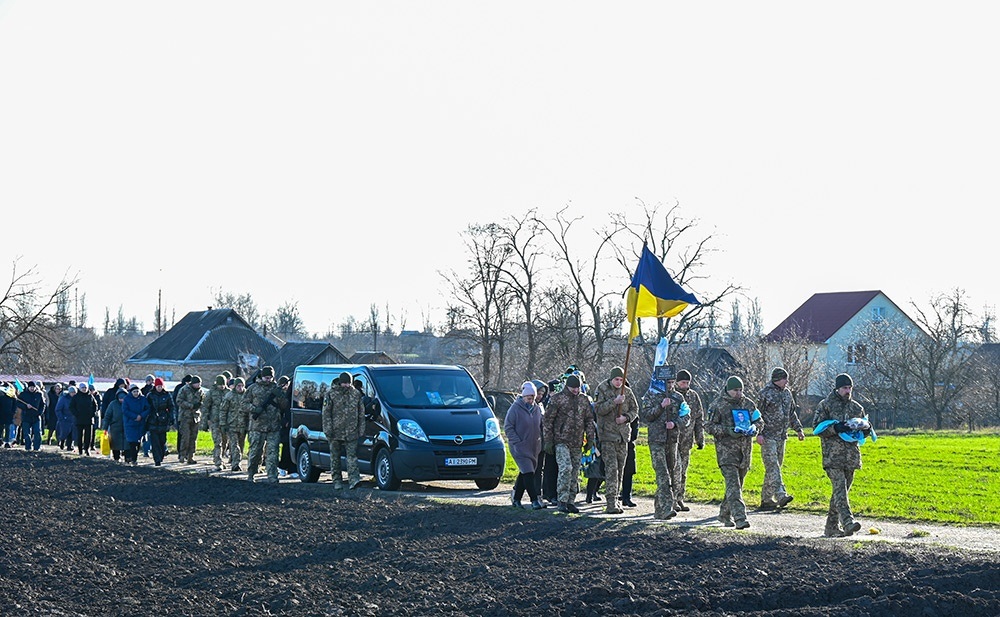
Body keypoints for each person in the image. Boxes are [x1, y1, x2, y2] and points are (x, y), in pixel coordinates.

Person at [814, 373, 869, 538]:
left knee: (840, 493)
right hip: (833, 457)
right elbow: (817, 428)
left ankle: (831, 527)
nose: (848, 391)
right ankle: (848, 522)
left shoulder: (856, 407)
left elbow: (863, 430)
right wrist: (835, 428)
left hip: (851, 457)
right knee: (840, 490)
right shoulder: (826, 405)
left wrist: (866, 430)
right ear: (837, 388)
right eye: (845, 388)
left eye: (850, 388)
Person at [706, 376, 763, 530]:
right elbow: (709, 426)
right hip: (726, 452)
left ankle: (724, 514)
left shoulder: (748, 404)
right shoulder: (718, 405)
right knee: (734, 485)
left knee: (737, 485)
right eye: (735, 390)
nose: (738, 393)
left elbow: (759, 421)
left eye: (740, 390)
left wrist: (755, 428)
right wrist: (728, 431)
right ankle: (740, 518)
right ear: (728, 390)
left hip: (744, 451)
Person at [542, 374, 596, 514]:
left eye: (577, 388)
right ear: (567, 386)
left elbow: (589, 420)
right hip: (561, 440)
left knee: (574, 471)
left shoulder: (583, 400)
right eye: (573, 388)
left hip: (577, 442)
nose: (576, 390)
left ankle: (571, 501)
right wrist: (548, 440)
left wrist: (590, 438)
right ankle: (562, 499)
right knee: (565, 468)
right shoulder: (557, 399)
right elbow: (547, 420)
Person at [592, 366, 639, 515]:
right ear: (611, 379)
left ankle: (617, 499)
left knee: (620, 469)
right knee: (611, 470)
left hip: (623, 436)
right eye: (616, 379)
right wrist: (614, 402)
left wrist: (626, 418)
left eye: (621, 380)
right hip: (608, 436)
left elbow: (635, 410)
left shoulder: (627, 392)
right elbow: (598, 409)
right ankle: (611, 502)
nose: (619, 382)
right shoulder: (602, 389)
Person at [757, 367, 805, 511]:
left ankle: (766, 500)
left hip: (782, 437)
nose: (787, 381)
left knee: (774, 468)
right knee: (773, 467)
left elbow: (791, 413)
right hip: (768, 436)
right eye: (785, 379)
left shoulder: (787, 394)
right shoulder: (765, 394)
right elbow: (757, 415)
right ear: (777, 379)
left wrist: (798, 429)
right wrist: (759, 433)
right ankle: (781, 495)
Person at [640, 368, 685, 520]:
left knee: (672, 474)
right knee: (662, 474)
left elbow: (686, 416)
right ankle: (667, 508)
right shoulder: (651, 395)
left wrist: (675, 423)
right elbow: (646, 415)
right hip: (656, 440)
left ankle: (659, 509)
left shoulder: (678, 397)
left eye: (672, 382)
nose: (670, 385)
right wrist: (661, 406)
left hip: (672, 440)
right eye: (667, 383)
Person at [503, 381, 545, 510]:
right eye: (528, 398)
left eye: (532, 398)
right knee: (528, 472)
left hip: (533, 447)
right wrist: (517, 442)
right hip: (519, 447)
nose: (531, 401)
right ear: (523, 396)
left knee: (525, 472)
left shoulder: (537, 409)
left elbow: (540, 426)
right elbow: (508, 427)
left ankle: (516, 499)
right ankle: (534, 500)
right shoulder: (515, 409)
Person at [245, 366, 290, 483]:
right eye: (266, 377)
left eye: (270, 377)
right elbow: (243, 404)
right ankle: (251, 474)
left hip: (273, 426)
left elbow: (284, 406)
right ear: (262, 376)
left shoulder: (276, 388)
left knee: (273, 453)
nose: (268, 379)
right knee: (255, 452)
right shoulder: (253, 388)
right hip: (257, 426)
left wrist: (281, 396)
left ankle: (272, 476)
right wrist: (254, 409)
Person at [321, 371, 365, 489]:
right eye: (344, 383)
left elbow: (361, 413)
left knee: (352, 457)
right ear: (340, 382)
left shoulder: (356, 394)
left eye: (348, 383)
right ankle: (337, 481)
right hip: (335, 432)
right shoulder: (331, 394)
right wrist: (328, 430)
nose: (346, 385)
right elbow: (326, 413)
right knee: (335, 458)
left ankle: (354, 480)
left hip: (352, 431)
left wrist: (361, 429)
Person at [673, 369, 704, 511]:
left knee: (683, 471)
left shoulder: (693, 396)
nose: (685, 385)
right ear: (677, 382)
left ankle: (680, 498)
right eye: (683, 382)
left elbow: (698, 418)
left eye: (687, 382)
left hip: (687, 440)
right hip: (673, 439)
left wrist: (700, 438)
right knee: (675, 470)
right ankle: (672, 499)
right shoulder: (672, 395)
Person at [201, 375, 230, 471]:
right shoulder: (211, 393)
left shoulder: (229, 392)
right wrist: (205, 422)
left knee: (225, 442)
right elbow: (205, 408)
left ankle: (221, 458)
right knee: (218, 442)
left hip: (226, 422)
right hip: (215, 421)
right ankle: (218, 462)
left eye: (223, 384)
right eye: (220, 384)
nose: (222, 386)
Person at [146, 378, 176, 467]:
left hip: (163, 420)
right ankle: (157, 459)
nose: (159, 388)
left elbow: (171, 407)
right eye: (158, 386)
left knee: (162, 441)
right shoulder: (150, 395)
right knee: (155, 442)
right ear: (155, 386)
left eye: (161, 386)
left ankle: (161, 455)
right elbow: (147, 407)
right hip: (153, 420)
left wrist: (171, 418)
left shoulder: (167, 395)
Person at [175, 375, 204, 464]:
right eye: (197, 383)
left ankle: (191, 457)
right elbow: (179, 401)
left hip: (195, 417)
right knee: (185, 437)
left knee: (193, 438)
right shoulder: (184, 389)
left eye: (199, 384)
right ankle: (182, 455)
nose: (198, 385)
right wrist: (191, 405)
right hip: (185, 417)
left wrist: (200, 405)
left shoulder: (200, 391)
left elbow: (203, 401)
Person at [221, 377, 249, 471]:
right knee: (234, 445)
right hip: (232, 424)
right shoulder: (229, 396)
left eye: (242, 386)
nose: (240, 388)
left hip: (243, 425)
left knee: (241, 445)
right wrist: (223, 423)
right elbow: (223, 410)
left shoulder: (247, 395)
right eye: (238, 386)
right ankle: (236, 464)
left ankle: (237, 461)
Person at [121, 383, 149, 466]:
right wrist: (135, 416)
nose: (136, 393)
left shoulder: (143, 399)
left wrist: (141, 416)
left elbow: (148, 408)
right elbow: (125, 410)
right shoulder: (127, 399)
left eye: (137, 391)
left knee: (138, 442)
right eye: (134, 392)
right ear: (131, 392)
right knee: (132, 442)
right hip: (130, 423)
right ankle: (134, 459)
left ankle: (134, 457)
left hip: (140, 423)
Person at [15, 380, 46, 451]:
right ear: (28, 387)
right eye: (30, 387)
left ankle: (37, 448)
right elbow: (18, 403)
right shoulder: (23, 394)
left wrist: (40, 412)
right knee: (26, 433)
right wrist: (26, 406)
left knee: (37, 432)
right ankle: (28, 447)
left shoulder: (39, 394)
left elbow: (43, 404)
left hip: (36, 416)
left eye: (33, 387)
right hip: (26, 416)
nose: (32, 388)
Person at [276, 375, 297, 478]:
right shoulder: (281, 396)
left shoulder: (293, 395)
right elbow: (278, 412)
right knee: (286, 447)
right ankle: (282, 467)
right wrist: (284, 422)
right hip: (286, 425)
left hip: (294, 423)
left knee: (292, 446)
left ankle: (292, 469)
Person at [70, 383, 99, 456]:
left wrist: (93, 414)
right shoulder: (76, 397)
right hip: (79, 419)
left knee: (88, 436)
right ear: (80, 388)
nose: (84, 389)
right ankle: (80, 449)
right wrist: (76, 414)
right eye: (83, 388)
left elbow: (95, 406)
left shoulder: (90, 396)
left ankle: (87, 449)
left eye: (85, 387)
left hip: (89, 419)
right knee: (79, 435)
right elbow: (71, 407)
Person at [101, 388, 127, 462]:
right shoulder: (113, 404)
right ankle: (116, 458)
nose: (122, 400)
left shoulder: (129, 403)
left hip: (127, 427)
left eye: (123, 398)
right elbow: (107, 416)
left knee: (127, 445)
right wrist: (105, 428)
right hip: (115, 427)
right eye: (120, 398)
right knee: (115, 445)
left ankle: (128, 459)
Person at [55, 385, 76, 450]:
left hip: (73, 419)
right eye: (72, 392)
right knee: (64, 433)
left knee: (72, 434)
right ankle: (62, 442)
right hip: (65, 418)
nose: (73, 394)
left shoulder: (76, 399)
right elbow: (58, 409)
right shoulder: (64, 399)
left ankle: (70, 446)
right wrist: (61, 418)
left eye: (74, 392)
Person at [0, 382, 14, 447]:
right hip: (1, 414)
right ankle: (0, 440)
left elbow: (14, 405)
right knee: (1, 428)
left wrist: (12, 412)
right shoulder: (1, 396)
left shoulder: (12, 396)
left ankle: (7, 442)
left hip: (8, 414)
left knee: (7, 428)